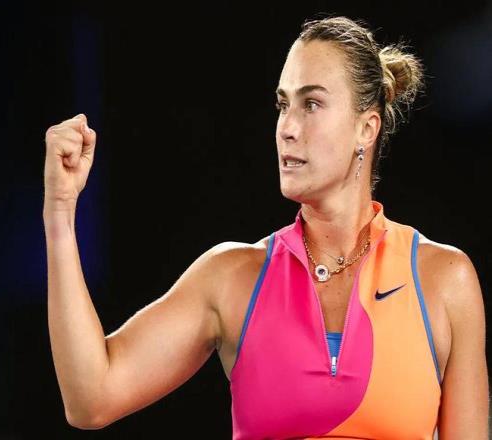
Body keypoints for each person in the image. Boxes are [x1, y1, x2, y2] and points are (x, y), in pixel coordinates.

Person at [43, 15, 488, 439]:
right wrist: (60, 215)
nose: (286, 128)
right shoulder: (230, 278)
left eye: (311, 104)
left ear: (366, 128)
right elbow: (91, 398)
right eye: (282, 105)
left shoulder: (444, 281)